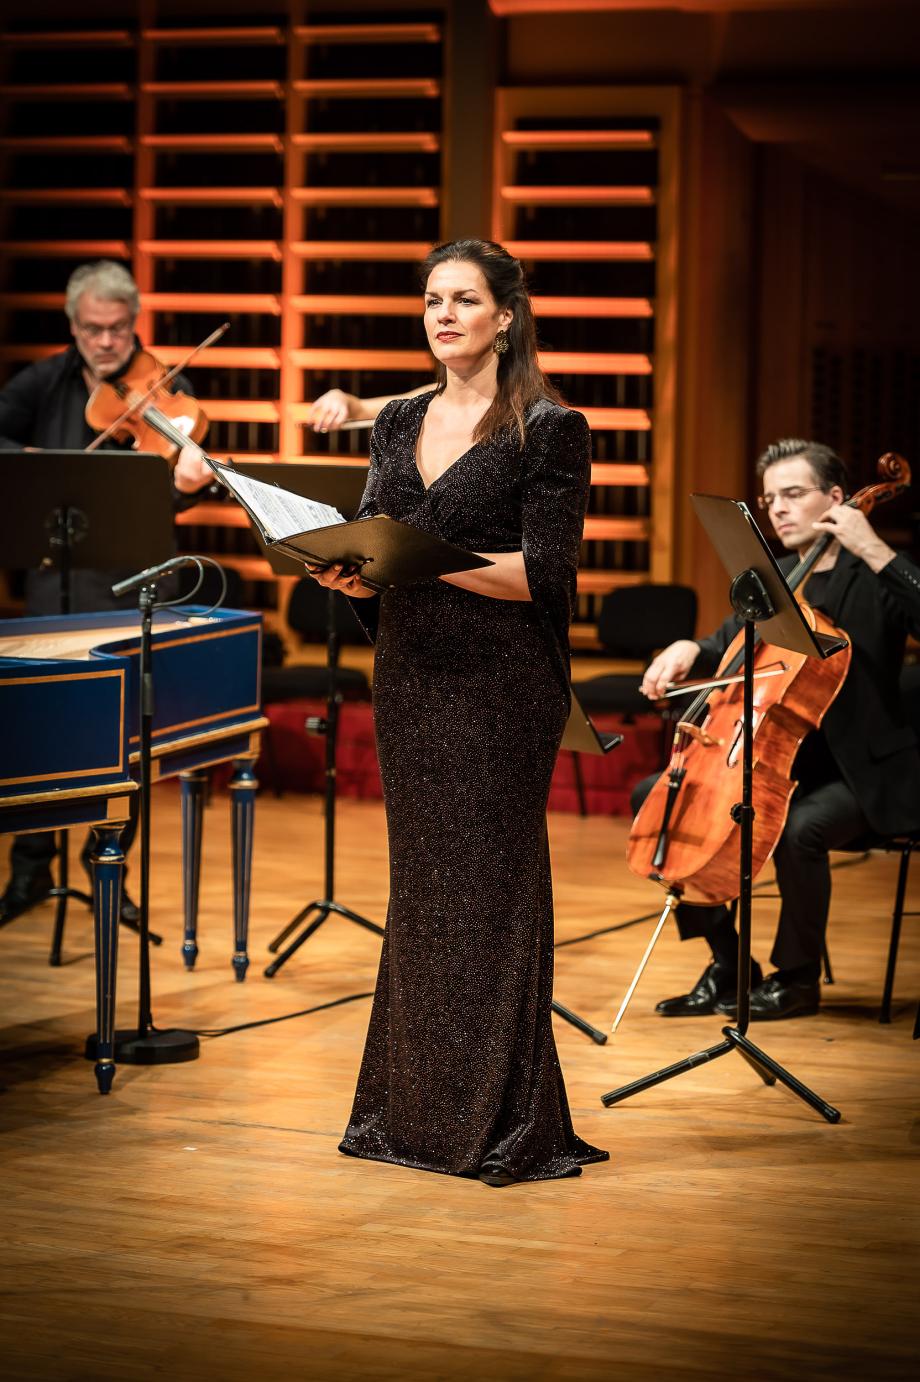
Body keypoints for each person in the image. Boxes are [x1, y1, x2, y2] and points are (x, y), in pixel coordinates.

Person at [309, 238, 608, 1185]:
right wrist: (350, 569)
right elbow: (373, 540)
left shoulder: (550, 428)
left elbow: (549, 575)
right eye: (432, 299)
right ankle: (414, 1115)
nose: (443, 315)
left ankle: (497, 1121)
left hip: (502, 683)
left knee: (489, 890)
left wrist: (426, 561)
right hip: (410, 673)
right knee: (426, 893)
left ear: (505, 316)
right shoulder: (395, 420)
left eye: (464, 300)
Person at [635, 439, 920, 1020]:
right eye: (770, 499)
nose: (778, 510)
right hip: (784, 759)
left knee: (800, 830)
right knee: (664, 797)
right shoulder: (780, 577)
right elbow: (729, 644)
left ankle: (797, 979)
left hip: (863, 772)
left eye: (794, 494)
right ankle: (729, 965)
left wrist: (875, 549)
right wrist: (690, 645)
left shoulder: (878, 575)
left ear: (837, 498)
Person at [0, 259, 213, 926]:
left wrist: (183, 483)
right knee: (35, 733)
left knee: (124, 737)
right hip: (52, 582)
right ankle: (30, 872)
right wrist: (30, 467)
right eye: (93, 330)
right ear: (74, 326)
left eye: (119, 330)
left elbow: (175, 495)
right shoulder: (48, 379)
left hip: (129, 582)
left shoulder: (166, 387)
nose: (106, 343)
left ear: (134, 325)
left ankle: (110, 875)